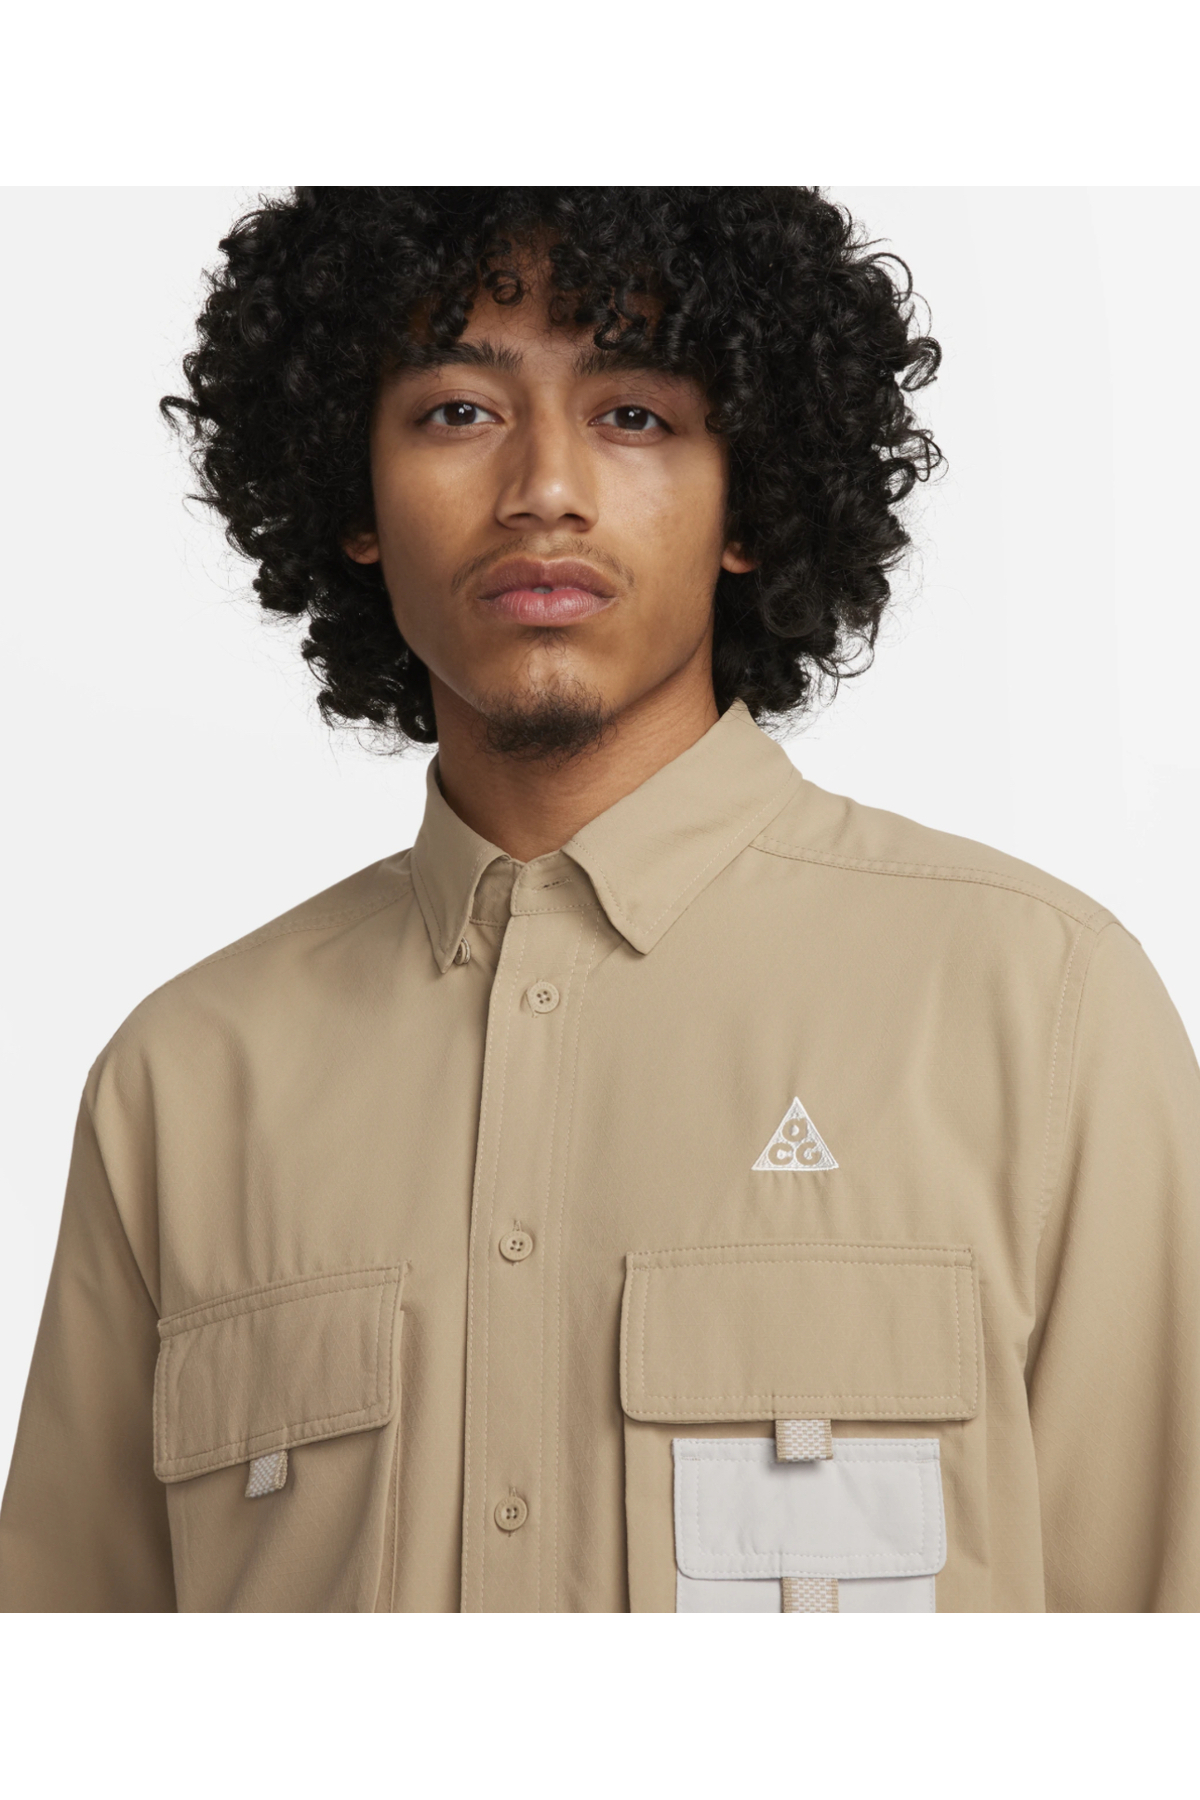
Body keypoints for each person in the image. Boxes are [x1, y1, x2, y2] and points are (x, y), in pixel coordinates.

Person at [1, 186, 1196, 1613]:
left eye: (635, 414)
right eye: (457, 410)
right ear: (355, 499)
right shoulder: (182, 1085)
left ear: (748, 500)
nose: (544, 489)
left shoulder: (1042, 1010)